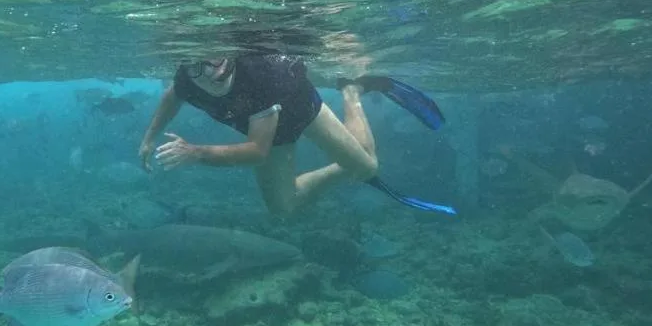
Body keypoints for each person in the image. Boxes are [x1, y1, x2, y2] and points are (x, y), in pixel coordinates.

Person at [138, 53, 455, 218]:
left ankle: (351, 90)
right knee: (282, 209)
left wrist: (195, 153)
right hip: (265, 131)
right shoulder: (189, 74)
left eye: (218, 65)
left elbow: (257, 151)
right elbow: (174, 94)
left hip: (301, 108)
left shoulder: (261, 77)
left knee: (369, 168)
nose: (210, 75)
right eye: (197, 69)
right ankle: (348, 163)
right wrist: (149, 137)